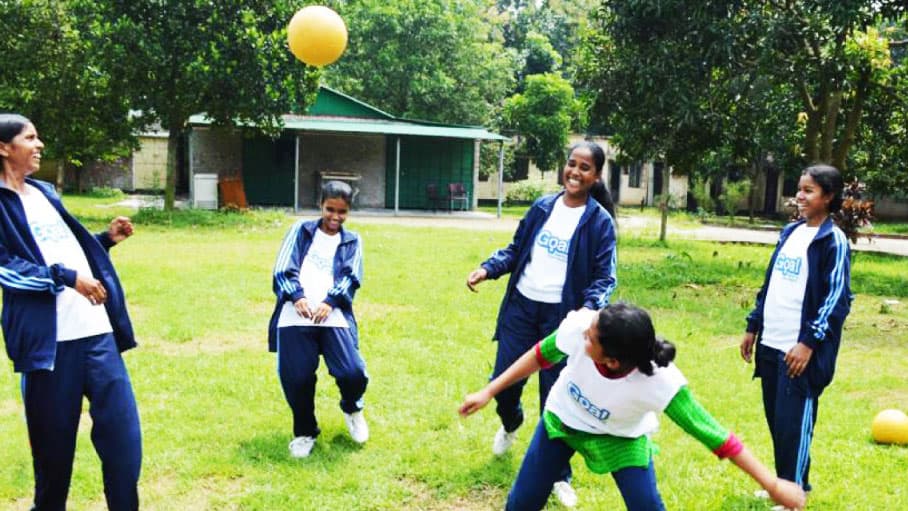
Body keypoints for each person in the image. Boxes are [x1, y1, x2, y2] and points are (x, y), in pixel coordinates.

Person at [459, 304, 807, 511]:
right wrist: (489, 390)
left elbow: (714, 435)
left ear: (612, 360)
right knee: (521, 504)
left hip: (621, 438)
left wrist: (773, 484)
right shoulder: (584, 325)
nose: (583, 336)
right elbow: (540, 355)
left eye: (590, 339)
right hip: (562, 422)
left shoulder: (659, 381)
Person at [0, 113, 141, 510]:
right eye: (30, 137)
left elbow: (64, 249)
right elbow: (9, 268)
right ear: (4, 148)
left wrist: (106, 240)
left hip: (98, 336)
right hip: (49, 350)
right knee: (53, 463)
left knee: (124, 447)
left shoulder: (44, 192)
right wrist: (67, 278)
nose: (40, 144)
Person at [465, 141, 617, 506]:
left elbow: (604, 277)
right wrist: (488, 268)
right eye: (571, 164)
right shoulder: (542, 207)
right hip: (521, 309)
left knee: (556, 398)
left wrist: (588, 312)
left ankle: (559, 475)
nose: (575, 173)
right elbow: (516, 249)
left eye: (584, 168)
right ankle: (511, 422)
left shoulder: (599, 222)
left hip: (561, 318)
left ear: (596, 176)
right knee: (503, 383)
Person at [740, 164, 851, 498]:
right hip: (771, 343)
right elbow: (771, 283)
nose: (799, 196)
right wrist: (752, 326)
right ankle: (783, 483)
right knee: (777, 418)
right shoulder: (790, 232)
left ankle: (795, 491)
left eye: (808, 191)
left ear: (828, 197)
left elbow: (835, 301)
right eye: (799, 189)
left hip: (798, 350)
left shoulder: (833, 241)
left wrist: (807, 343)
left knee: (795, 423)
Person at [267, 180, 368, 458]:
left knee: (352, 372)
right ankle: (304, 432)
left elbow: (351, 276)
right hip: (295, 316)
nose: (335, 217)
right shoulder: (300, 231)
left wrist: (330, 301)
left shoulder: (352, 240)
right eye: (330, 209)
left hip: (332, 316)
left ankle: (352, 408)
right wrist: (297, 296)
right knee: (297, 378)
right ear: (320, 205)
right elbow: (282, 269)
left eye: (342, 212)